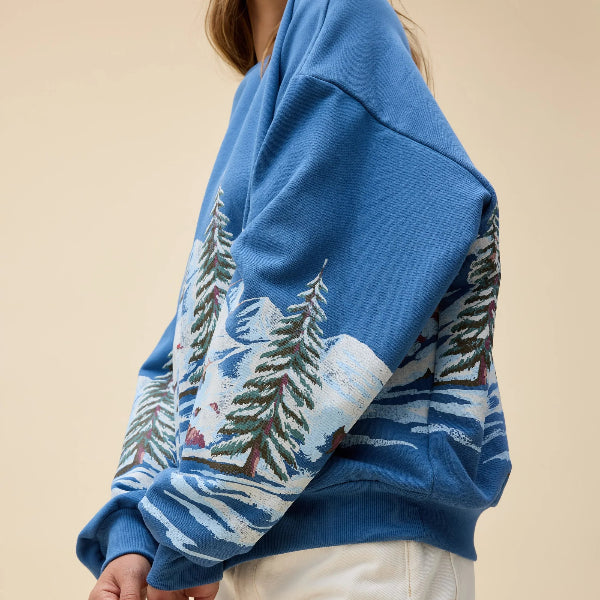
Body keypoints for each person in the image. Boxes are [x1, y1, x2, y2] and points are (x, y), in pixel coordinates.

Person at [76, 0, 512, 598]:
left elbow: (291, 289)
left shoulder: (344, 17)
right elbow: (193, 341)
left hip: (357, 558)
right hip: (253, 552)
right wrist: (140, 533)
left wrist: (179, 534)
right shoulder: (260, 87)